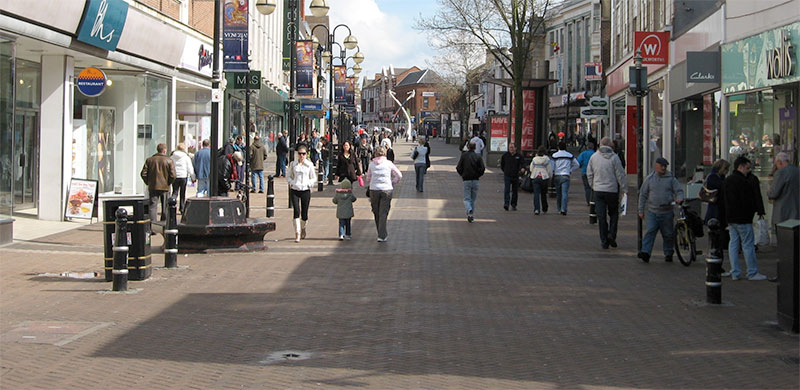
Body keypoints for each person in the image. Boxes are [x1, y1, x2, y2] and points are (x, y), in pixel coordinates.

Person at [723, 156, 768, 280]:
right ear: (740, 167)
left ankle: (735, 272)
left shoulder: (728, 180)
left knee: (733, 244)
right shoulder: (745, 182)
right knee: (747, 245)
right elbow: (749, 200)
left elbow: (725, 200)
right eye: (747, 168)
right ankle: (752, 272)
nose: (748, 170)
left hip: (732, 219)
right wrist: (755, 211)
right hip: (743, 218)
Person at [637, 157, 684, 263]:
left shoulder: (671, 179)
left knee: (668, 234)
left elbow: (679, 190)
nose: (663, 168)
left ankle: (668, 253)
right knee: (650, 231)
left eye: (665, 166)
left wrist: (680, 198)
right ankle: (646, 252)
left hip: (667, 211)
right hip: (652, 212)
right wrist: (641, 210)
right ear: (656, 166)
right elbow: (643, 195)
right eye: (661, 166)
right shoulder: (649, 179)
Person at [587, 137, 627, 249]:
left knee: (601, 217)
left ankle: (604, 241)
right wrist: (624, 189)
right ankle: (611, 234)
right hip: (612, 190)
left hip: (598, 190)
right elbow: (620, 174)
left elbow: (589, 173)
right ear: (611, 146)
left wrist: (593, 185)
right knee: (613, 214)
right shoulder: (614, 158)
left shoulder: (594, 157)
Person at [365, 146, 402, 242]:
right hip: (387, 189)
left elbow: (368, 178)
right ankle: (382, 235)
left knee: (376, 212)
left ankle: (380, 233)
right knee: (383, 212)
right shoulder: (389, 163)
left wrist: (372, 180)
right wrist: (393, 182)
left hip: (374, 190)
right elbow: (399, 175)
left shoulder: (372, 164)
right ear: (384, 153)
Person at [287, 145, 316, 242]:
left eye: (303, 154)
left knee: (304, 213)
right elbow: (289, 176)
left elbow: (313, 177)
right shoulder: (293, 164)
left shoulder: (309, 165)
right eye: (300, 153)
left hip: (305, 190)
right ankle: (297, 233)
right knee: (296, 211)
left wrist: (309, 184)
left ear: (306, 154)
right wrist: (292, 183)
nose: (301, 156)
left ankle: (303, 228)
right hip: (295, 189)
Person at [140, 143, 176, 223]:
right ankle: (164, 223)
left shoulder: (149, 160)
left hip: (153, 186)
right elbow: (173, 175)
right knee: (165, 206)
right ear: (164, 150)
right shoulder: (169, 160)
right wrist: (168, 183)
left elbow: (143, 174)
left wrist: (148, 182)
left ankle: (153, 224)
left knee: (153, 206)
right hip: (165, 187)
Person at [767, 152, 800, 226]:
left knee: (783, 235)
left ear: (779, 162)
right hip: (797, 211)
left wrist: (769, 192)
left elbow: (774, 193)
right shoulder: (797, 171)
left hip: (783, 213)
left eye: (776, 165)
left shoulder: (781, 173)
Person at [456, 141, 485, 223]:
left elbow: (458, 167)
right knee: (473, 199)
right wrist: (478, 175)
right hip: (475, 180)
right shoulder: (478, 156)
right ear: (475, 148)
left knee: (467, 198)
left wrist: (463, 175)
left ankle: (469, 210)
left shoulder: (464, 156)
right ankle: (471, 215)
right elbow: (482, 168)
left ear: (468, 147)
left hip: (466, 180)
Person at [552, 141, 580, 215]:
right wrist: (570, 170)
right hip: (566, 175)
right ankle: (563, 209)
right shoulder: (569, 155)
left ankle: (559, 208)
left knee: (558, 194)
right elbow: (577, 164)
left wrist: (554, 171)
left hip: (557, 175)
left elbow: (552, 166)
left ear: (558, 147)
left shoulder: (554, 155)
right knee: (565, 193)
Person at [170, 143, 195, 213]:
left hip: (175, 176)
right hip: (183, 176)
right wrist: (193, 177)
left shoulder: (172, 157)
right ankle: (182, 208)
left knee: (175, 192)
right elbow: (190, 168)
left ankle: (172, 206)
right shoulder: (186, 157)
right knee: (182, 192)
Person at [530, 146, 553, 215]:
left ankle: (537, 209)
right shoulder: (547, 159)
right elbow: (549, 170)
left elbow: (531, 168)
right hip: (544, 177)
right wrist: (550, 177)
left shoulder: (535, 159)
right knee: (543, 194)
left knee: (536, 194)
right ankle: (544, 207)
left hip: (535, 177)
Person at [500, 143, 523, 210]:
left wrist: (522, 169)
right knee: (507, 189)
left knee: (515, 190)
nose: (511, 149)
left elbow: (522, 163)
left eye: (512, 147)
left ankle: (513, 204)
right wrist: (505, 171)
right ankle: (506, 204)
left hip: (515, 175)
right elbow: (502, 164)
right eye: (510, 147)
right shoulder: (505, 155)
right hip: (507, 175)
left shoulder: (519, 156)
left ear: (515, 148)